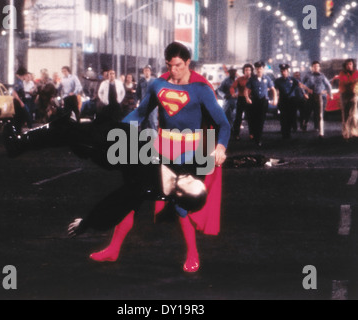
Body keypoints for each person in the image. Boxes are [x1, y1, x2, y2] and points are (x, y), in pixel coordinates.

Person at [86, 41, 230, 273]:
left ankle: (193, 253)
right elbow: (141, 112)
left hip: (189, 152)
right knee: (132, 195)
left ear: (187, 63)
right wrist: (120, 129)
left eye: (179, 65)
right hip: (162, 148)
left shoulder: (201, 90)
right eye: (170, 65)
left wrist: (221, 146)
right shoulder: (158, 85)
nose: (174, 70)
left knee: (181, 203)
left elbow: (223, 124)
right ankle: (113, 249)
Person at [244, 61, 277, 146]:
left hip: (263, 101)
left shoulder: (267, 79)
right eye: (257, 68)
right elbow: (246, 90)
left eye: (261, 68)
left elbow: (273, 89)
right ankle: (254, 134)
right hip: (254, 101)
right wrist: (247, 98)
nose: (259, 70)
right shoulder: (252, 79)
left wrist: (275, 99)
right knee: (254, 119)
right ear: (255, 69)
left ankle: (258, 138)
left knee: (261, 119)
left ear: (263, 69)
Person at [302, 61, 333, 139]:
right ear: (312, 67)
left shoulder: (322, 76)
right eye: (314, 66)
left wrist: (330, 94)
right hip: (310, 96)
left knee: (319, 114)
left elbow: (328, 85)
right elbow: (302, 84)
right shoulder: (308, 75)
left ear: (319, 68)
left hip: (320, 97)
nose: (316, 68)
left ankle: (319, 129)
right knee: (307, 112)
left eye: (317, 66)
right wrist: (304, 93)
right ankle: (305, 123)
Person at [274, 64, 301, 140]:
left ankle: (288, 132)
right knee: (283, 117)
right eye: (282, 71)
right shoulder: (277, 81)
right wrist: (276, 98)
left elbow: (299, 86)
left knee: (291, 117)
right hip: (283, 101)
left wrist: (304, 94)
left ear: (288, 71)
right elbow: (275, 90)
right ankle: (284, 132)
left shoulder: (293, 80)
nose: (283, 72)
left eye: (285, 71)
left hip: (292, 101)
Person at [230, 64, 253, 140]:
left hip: (250, 100)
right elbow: (232, 87)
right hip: (241, 99)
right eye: (246, 70)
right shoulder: (240, 79)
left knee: (250, 117)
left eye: (249, 70)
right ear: (243, 71)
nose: (247, 72)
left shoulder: (253, 79)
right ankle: (236, 134)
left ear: (251, 71)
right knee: (238, 117)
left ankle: (252, 134)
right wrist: (233, 93)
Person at [338, 58, 358, 140]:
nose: (349, 66)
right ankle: (346, 133)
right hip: (344, 95)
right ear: (345, 66)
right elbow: (344, 82)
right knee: (345, 115)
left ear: (353, 65)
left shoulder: (356, 72)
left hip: (354, 95)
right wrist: (354, 81)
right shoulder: (342, 73)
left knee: (353, 115)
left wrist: (353, 82)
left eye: (350, 64)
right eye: (347, 64)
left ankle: (354, 131)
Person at [136, 65, 156, 130]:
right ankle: (143, 139)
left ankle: (154, 138)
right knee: (143, 122)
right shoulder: (141, 81)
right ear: (143, 72)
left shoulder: (155, 81)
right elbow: (137, 93)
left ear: (150, 72)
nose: (146, 72)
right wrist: (136, 102)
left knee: (152, 122)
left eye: (148, 70)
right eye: (145, 70)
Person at [12, 67, 30, 132]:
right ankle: (17, 132)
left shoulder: (20, 82)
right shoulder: (18, 82)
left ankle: (18, 131)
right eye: (26, 74)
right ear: (24, 75)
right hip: (18, 102)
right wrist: (20, 102)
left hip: (20, 101)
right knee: (19, 118)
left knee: (20, 118)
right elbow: (14, 93)